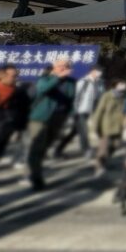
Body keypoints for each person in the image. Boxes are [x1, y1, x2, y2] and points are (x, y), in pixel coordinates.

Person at [26, 59, 76, 190]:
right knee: (36, 147)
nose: (63, 68)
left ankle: (35, 170)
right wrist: (57, 78)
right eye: (60, 66)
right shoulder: (45, 78)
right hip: (40, 118)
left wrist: (70, 115)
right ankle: (34, 177)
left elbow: (71, 99)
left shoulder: (71, 82)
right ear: (54, 67)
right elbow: (43, 89)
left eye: (66, 66)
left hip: (58, 118)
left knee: (45, 147)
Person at [0, 64, 30, 175]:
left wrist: (20, 128)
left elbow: (23, 111)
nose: (16, 78)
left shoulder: (19, 93)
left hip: (5, 130)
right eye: (13, 76)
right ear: (1, 76)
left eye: (16, 75)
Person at [54, 64, 105, 159]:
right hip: (79, 111)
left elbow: (97, 97)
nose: (100, 73)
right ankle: (87, 151)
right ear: (92, 71)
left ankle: (58, 150)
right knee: (84, 131)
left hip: (88, 111)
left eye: (100, 71)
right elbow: (76, 96)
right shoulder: (83, 81)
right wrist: (74, 110)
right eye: (98, 71)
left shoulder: (98, 83)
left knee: (75, 132)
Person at [90, 80, 126, 176]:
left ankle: (103, 160)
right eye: (121, 83)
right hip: (106, 125)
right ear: (115, 85)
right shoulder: (107, 96)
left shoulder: (123, 96)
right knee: (104, 148)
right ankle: (99, 166)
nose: (124, 85)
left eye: (124, 84)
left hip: (118, 126)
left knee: (116, 145)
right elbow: (99, 111)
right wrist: (94, 127)